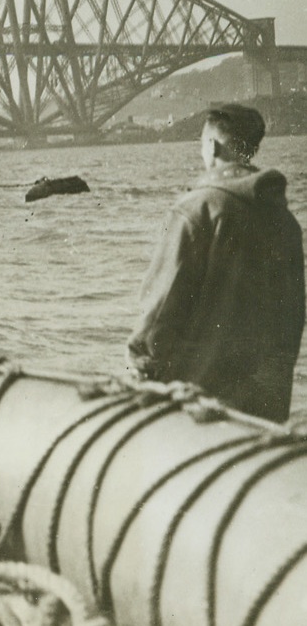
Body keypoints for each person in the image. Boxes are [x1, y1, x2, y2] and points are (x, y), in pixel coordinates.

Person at [126, 104, 305, 422]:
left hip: (197, 409)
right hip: (264, 411)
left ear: (212, 146)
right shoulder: (285, 219)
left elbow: (159, 313)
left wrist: (138, 370)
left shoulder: (196, 209)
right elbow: (292, 319)